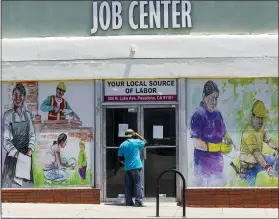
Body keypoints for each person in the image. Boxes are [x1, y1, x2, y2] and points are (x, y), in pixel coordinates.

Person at [190, 80, 233, 187]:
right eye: (211, 98)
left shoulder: (218, 114)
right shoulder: (198, 114)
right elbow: (196, 142)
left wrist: (227, 140)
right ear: (204, 96)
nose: (213, 102)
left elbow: (224, 132)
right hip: (202, 166)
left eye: (216, 98)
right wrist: (217, 147)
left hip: (218, 164)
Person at [2, 83, 36, 188]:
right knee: (10, 188)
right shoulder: (8, 115)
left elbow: (32, 134)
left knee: (27, 188)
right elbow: (6, 140)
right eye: (15, 95)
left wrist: (30, 149)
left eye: (21, 95)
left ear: (24, 97)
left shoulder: (27, 115)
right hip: (13, 158)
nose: (18, 98)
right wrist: (17, 154)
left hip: (26, 156)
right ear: (12, 96)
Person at [239, 100, 278, 186]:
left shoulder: (261, 129)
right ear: (252, 117)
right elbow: (257, 154)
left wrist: (276, 148)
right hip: (248, 169)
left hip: (257, 163)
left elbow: (268, 140)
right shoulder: (248, 133)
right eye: (258, 117)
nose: (260, 121)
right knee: (250, 191)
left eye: (262, 118)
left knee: (275, 161)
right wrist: (267, 166)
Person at [118, 129, 147, 207]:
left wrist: (126, 162)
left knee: (128, 185)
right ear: (133, 135)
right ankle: (138, 202)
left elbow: (120, 159)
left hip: (127, 167)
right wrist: (137, 135)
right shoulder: (137, 142)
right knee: (138, 184)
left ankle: (128, 201)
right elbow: (145, 142)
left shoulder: (122, 145)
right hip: (137, 166)